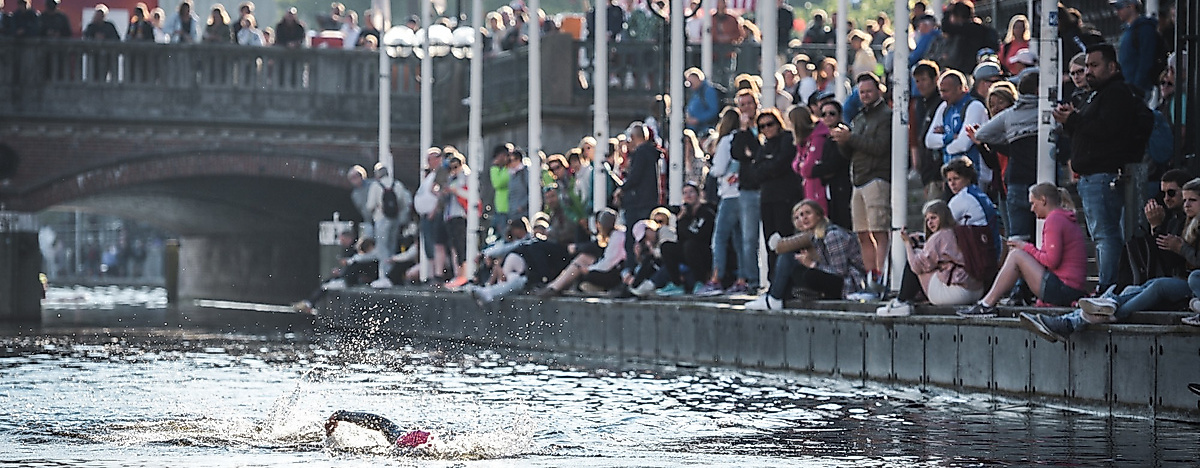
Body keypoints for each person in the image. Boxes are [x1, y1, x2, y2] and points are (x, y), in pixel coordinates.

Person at [1021, 178, 1200, 342]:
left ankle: (1083, 318)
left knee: (1158, 285)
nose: (1186, 205)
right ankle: (1074, 318)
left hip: (1191, 286)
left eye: (1192, 200)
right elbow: (1167, 262)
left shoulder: (1056, 219)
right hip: (1180, 282)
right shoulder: (1180, 222)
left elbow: (1051, 260)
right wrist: (1157, 229)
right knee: (1130, 288)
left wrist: (1181, 248)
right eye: (1185, 200)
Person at [1053, 43, 1154, 293]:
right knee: (1102, 235)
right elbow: (1088, 131)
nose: (1088, 71)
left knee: (1105, 235)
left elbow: (1107, 131)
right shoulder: (1097, 95)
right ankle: (1109, 284)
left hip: (1103, 176)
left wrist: (1074, 119)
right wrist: (1071, 121)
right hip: (1091, 177)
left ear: (1112, 67)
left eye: (1094, 66)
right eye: (1086, 66)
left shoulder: (1115, 94)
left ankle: (1108, 286)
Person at [959, 183, 1088, 317]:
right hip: (1070, 289)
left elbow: (1051, 261)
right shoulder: (1062, 217)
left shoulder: (1055, 219)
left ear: (1043, 200)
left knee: (1016, 255)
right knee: (1019, 255)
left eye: (1033, 203)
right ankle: (996, 300)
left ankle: (986, 304)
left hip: (1065, 290)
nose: (1032, 209)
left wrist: (1026, 247)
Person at [746, 200, 866, 309]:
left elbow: (840, 272)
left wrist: (812, 264)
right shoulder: (814, 238)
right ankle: (774, 296)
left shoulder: (832, 235)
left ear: (819, 215)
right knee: (794, 266)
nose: (802, 218)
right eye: (797, 217)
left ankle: (774, 299)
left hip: (849, 285)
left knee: (795, 264)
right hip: (834, 280)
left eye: (807, 213)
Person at [831, 73, 891, 287]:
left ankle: (883, 279)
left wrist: (851, 138)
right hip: (858, 179)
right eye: (862, 92)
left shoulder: (886, 116)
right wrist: (842, 141)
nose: (865, 95)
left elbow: (880, 147)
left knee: (879, 231)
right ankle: (871, 279)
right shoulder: (859, 117)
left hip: (877, 178)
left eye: (868, 91)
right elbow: (851, 152)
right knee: (862, 234)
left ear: (879, 90)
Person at [878, 200, 985, 316]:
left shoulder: (939, 237)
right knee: (926, 260)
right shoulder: (958, 231)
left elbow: (916, 266)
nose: (930, 222)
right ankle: (911, 299)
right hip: (976, 291)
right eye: (927, 219)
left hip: (957, 293)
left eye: (933, 218)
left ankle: (901, 303)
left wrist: (907, 244)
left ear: (943, 217)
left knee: (915, 258)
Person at [967, 73, 1040, 239]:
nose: (996, 108)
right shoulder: (996, 131)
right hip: (1004, 188)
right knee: (1012, 234)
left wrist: (990, 140)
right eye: (992, 105)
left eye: (1001, 102)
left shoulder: (1017, 125)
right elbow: (992, 162)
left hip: (1023, 181)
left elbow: (1012, 150)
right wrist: (980, 144)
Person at [697, 108, 746, 296]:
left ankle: (716, 278)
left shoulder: (726, 141)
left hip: (729, 194)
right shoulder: (741, 138)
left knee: (719, 238)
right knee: (740, 239)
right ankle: (743, 278)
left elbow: (718, 169)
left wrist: (710, 167)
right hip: (742, 192)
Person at [753, 108, 800, 278]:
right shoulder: (764, 146)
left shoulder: (787, 139)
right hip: (767, 198)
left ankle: (787, 279)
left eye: (769, 124)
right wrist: (769, 166)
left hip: (785, 197)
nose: (766, 129)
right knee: (770, 241)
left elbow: (782, 163)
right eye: (762, 127)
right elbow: (755, 172)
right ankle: (773, 279)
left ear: (778, 124)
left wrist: (768, 167)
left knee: (785, 240)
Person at [926, 69, 990, 189]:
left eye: (946, 91)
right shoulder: (944, 107)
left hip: (975, 175)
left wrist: (945, 147)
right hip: (951, 175)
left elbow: (963, 144)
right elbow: (929, 141)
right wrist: (950, 137)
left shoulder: (974, 106)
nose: (942, 96)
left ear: (960, 88)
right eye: (940, 91)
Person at [539, 209, 626, 296]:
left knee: (580, 266)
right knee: (583, 258)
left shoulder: (617, 237)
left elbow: (608, 263)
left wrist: (589, 269)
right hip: (610, 270)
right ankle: (555, 286)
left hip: (615, 274)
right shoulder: (611, 236)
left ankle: (555, 287)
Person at [292, 237, 377, 314]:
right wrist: (341, 272)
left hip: (352, 282)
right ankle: (308, 303)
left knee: (326, 287)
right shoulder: (361, 258)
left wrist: (345, 271)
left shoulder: (366, 258)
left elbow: (355, 271)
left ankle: (308, 304)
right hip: (349, 279)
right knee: (326, 282)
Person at [366, 163, 412, 281]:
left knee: (382, 247)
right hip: (395, 219)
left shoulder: (375, 186)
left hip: (381, 219)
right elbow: (404, 203)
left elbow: (370, 205)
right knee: (392, 246)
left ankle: (384, 275)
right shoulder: (397, 184)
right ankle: (392, 274)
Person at [911, 60, 945, 200]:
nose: (920, 85)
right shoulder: (920, 105)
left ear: (936, 79)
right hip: (928, 174)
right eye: (917, 81)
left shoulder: (942, 103)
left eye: (924, 79)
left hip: (939, 174)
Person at [1112, 0, 1161, 97]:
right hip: (1128, 86)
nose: (1117, 12)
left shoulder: (1144, 29)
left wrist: (1138, 85)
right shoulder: (1128, 30)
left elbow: (1146, 59)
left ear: (1132, 6)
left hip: (1137, 88)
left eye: (1120, 7)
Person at [324, 411, 430, 450]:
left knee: (385, 425)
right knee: (385, 425)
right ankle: (340, 415)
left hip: (409, 440)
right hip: (409, 439)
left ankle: (340, 415)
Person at [684, 68, 721, 133]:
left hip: (705, 130)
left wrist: (698, 119)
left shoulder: (708, 91)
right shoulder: (695, 93)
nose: (689, 84)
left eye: (691, 81)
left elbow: (713, 110)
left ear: (698, 78)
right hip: (695, 130)